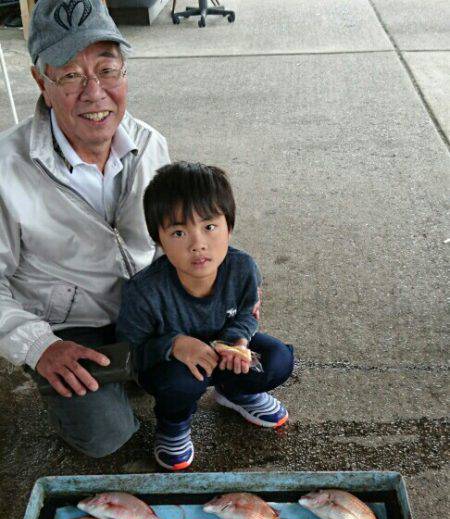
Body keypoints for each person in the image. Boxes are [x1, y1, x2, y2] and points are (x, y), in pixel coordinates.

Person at [0, 0, 170, 457]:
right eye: (71, 75)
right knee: (105, 435)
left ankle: (132, 367)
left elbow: (175, 236)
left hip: (143, 307)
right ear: (42, 82)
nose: (95, 92)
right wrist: (38, 346)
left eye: (107, 70)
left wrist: (220, 283)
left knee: (236, 360)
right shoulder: (6, 166)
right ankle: (99, 381)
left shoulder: (150, 144)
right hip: (68, 325)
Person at [116, 161, 294, 470]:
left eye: (209, 227)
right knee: (181, 384)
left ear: (229, 227)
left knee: (278, 360)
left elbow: (247, 314)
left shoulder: (243, 268)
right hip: (174, 368)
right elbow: (130, 351)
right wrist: (174, 344)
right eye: (178, 232)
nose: (197, 244)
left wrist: (237, 341)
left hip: (222, 354)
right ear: (158, 239)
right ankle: (173, 423)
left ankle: (235, 392)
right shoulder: (143, 291)